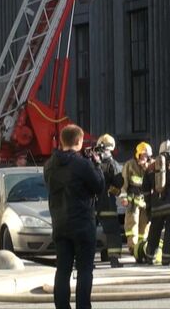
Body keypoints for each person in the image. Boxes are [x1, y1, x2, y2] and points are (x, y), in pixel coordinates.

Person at [44, 125, 104, 309]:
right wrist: (97, 164)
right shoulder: (83, 164)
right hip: (82, 224)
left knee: (63, 270)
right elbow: (99, 186)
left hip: (60, 223)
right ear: (78, 141)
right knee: (85, 269)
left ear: (62, 141)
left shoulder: (49, 165)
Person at [140, 140, 170, 266]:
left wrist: (149, 206)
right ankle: (167, 258)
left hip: (156, 207)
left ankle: (149, 257)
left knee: (154, 231)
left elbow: (145, 190)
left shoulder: (150, 169)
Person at [95, 134, 124, 268]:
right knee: (112, 233)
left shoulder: (92, 163)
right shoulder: (112, 164)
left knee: (89, 233)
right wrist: (112, 190)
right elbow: (119, 183)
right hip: (107, 204)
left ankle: (86, 260)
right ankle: (114, 260)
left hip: (92, 205)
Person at [120, 142, 153, 259]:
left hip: (146, 202)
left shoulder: (151, 166)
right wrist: (123, 197)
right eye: (143, 155)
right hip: (133, 202)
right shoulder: (129, 165)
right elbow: (123, 183)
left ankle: (142, 248)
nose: (145, 158)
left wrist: (146, 167)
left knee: (144, 227)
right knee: (132, 225)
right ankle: (133, 248)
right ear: (138, 154)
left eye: (147, 156)